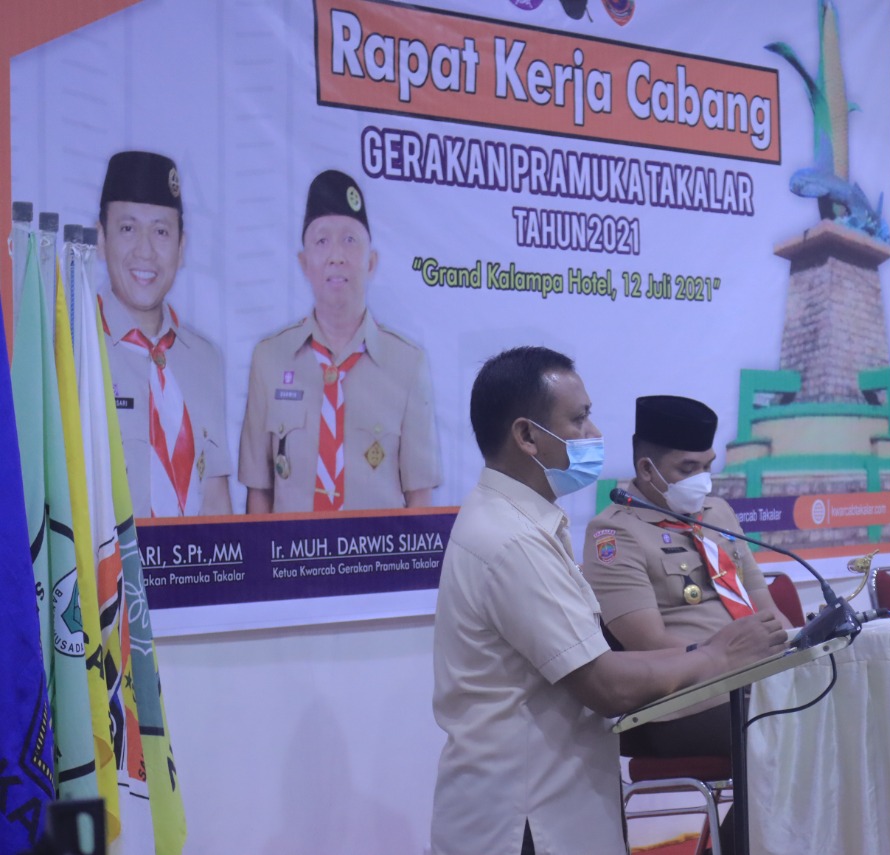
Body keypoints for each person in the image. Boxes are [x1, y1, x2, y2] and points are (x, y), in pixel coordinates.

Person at [431, 347, 786, 855]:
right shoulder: (511, 540)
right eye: (578, 419)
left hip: (553, 798)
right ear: (527, 435)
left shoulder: (520, 522)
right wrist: (716, 657)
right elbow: (604, 684)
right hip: (525, 817)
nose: (594, 432)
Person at [581, 394, 794, 759]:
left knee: (837, 705)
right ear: (647, 470)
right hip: (685, 701)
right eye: (688, 468)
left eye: (707, 467)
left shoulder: (719, 513)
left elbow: (767, 610)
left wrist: (798, 654)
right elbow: (648, 644)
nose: (702, 481)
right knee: (795, 735)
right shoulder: (615, 533)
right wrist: (731, 660)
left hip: (755, 681)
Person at [238, 169, 440, 513]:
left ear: (371, 262)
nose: (336, 256)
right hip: (293, 550)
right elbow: (259, 493)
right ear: (304, 263)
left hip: (376, 549)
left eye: (349, 240)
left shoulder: (407, 364)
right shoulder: (269, 358)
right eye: (321, 241)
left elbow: (419, 499)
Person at [96, 150, 232, 517]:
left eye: (160, 232)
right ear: (101, 239)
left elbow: (216, 502)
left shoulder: (205, 359)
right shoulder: (72, 352)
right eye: (128, 229)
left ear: (181, 247)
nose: (145, 251)